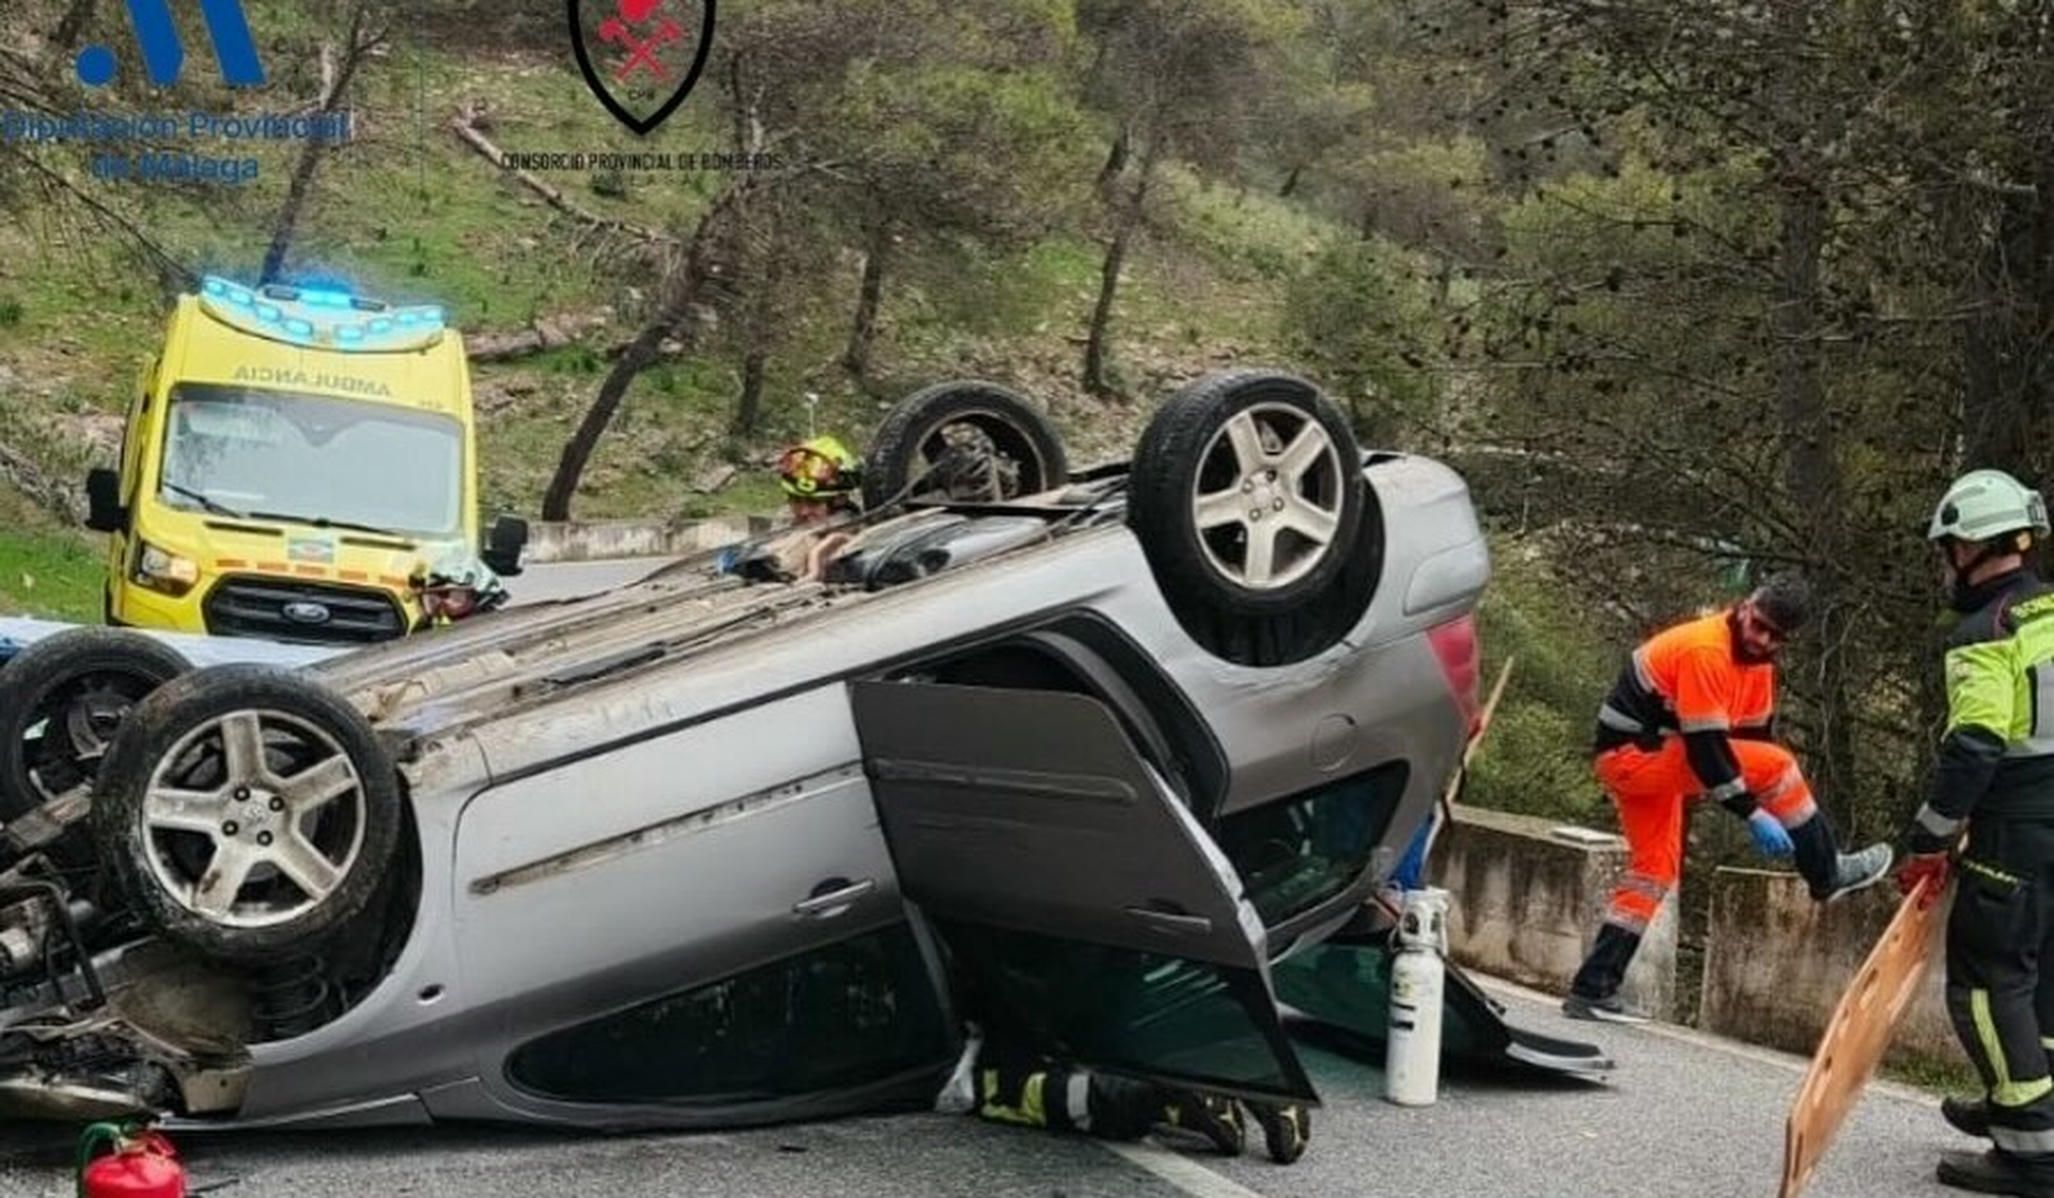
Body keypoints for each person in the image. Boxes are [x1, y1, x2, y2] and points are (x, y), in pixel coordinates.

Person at [1563, 572, 1894, 1022]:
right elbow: (1708, 751)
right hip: (1635, 756)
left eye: (1774, 636)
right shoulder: (1706, 650)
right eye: (1756, 623)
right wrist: (1751, 810)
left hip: (1647, 758)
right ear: (1745, 605)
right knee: (1780, 767)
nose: (1760, 638)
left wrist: (1754, 799)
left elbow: (1750, 740)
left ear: (1785, 641)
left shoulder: (1758, 666)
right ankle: (1828, 873)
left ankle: (1592, 988)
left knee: (1655, 871)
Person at [1896, 469, 2054, 1197]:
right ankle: (2025, 1102)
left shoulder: (1984, 634)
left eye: (1947, 550)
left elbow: (1976, 744)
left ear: (1968, 547)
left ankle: (2029, 1150)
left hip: (2016, 831)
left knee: (1989, 986)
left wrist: (1928, 835)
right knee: (2043, 978)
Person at [936, 1025, 1310, 1165]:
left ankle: (1162, 1098)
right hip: (1059, 979)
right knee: (1113, 1043)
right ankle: (1253, 1082)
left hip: (979, 1047)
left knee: (1014, 1096)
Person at [718, 435, 864, 583]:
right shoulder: (787, 520)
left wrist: (818, 556)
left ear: (840, 499)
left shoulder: (847, 524)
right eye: (796, 501)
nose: (804, 511)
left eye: (814, 503)